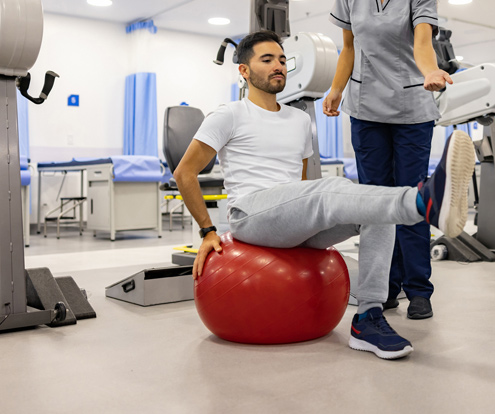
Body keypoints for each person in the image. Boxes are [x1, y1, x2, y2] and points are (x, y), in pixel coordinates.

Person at [175, 30, 474, 360]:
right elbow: (184, 173)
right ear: (244, 71)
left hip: (290, 219)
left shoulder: (300, 120)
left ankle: (368, 318)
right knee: (338, 190)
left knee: (375, 211)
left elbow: (303, 183)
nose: (279, 66)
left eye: (282, 60)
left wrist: (312, 205)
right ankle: (424, 202)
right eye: (267, 60)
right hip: (251, 216)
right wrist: (207, 231)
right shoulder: (229, 114)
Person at [323, 0, 449, 320]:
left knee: (408, 199)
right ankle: (381, 288)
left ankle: (419, 289)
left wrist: (431, 71)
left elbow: (423, 42)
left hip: (412, 109)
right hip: (366, 110)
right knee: (375, 204)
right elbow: (348, 48)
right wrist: (337, 89)